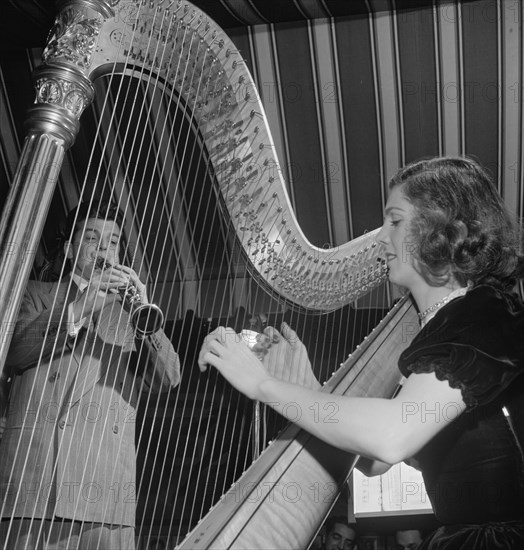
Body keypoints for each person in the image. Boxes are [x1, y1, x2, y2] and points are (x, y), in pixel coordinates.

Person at [198, 157, 524, 549]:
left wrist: (262, 384)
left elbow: (391, 436)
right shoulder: (447, 327)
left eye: (395, 221)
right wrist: (306, 388)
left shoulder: (484, 313)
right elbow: (374, 462)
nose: (380, 238)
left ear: (442, 230)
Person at [0, 199, 181, 549]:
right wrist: (79, 307)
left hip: (106, 490)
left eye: (113, 242)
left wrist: (142, 315)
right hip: (35, 485)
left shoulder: (132, 315)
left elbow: (168, 379)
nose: (103, 249)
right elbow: (13, 352)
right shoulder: (36, 294)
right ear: (70, 249)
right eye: (92, 238)